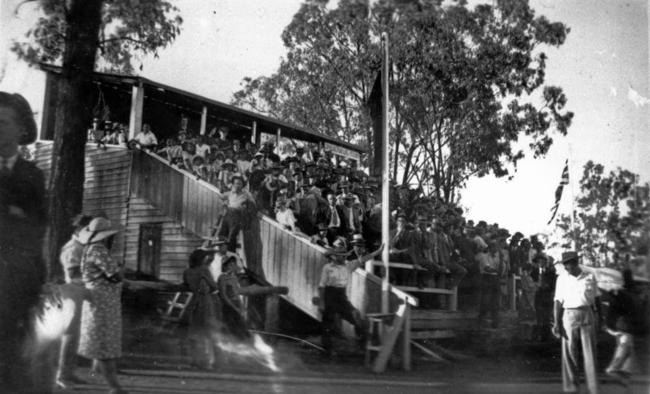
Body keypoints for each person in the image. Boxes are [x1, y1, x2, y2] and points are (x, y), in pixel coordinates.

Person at [0, 92, 49, 392]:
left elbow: (38, 230)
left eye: (3, 122)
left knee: (15, 366)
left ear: (20, 129)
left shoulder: (32, 176)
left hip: (18, 284)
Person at [77, 218, 127, 394]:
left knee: (99, 335)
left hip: (97, 297)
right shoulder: (99, 250)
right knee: (105, 340)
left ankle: (97, 368)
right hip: (103, 299)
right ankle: (114, 386)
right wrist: (121, 269)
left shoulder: (88, 249)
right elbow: (114, 276)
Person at [552, 251, 601, 394]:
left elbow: (597, 297)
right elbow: (557, 301)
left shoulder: (590, 276)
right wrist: (556, 322)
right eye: (565, 265)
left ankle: (593, 389)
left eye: (569, 264)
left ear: (576, 262)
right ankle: (572, 388)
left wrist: (601, 318)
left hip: (587, 313)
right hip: (569, 315)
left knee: (590, 353)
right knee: (569, 352)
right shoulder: (561, 279)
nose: (567, 267)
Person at [318, 238, 375, 357]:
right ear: (334, 257)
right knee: (328, 323)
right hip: (329, 294)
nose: (343, 258)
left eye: (344, 255)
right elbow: (322, 286)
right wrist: (322, 302)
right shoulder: (327, 268)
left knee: (355, 315)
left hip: (341, 295)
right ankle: (326, 351)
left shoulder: (349, 265)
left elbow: (363, 259)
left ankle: (361, 344)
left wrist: (378, 251)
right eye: (341, 256)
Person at [55, 214, 94, 389]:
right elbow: (73, 275)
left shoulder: (83, 246)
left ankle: (69, 372)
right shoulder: (72, 248)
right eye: (89, 229)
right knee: (70, 333)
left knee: (77, 334)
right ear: (80, 229)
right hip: (71, 291)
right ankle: (62, 375)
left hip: (80, 291)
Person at [183, 249, 219, 370]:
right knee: (207, 331)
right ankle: (209, 361)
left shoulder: (187, 271)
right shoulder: (204, 270)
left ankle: (194, 360)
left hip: (194, 301)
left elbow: (186, 285)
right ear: (201, 259)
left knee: (194, 331)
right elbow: (214, 286)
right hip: (205, 301)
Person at [603, 269, 637, 389]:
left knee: (623, 352)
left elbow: (615, 309)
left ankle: (624, 379)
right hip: (627, 328)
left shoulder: (620, 294)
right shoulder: (630, 293)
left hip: (622, 327)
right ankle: (620, 376)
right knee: (626, 354)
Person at [218, 174, 256, 252]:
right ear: (233, 184)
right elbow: (221, 196)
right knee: (222, 234)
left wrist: (246, 207)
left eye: (239, 183)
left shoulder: (246, 194)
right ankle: (221, 252)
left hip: (237, 216)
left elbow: (253, 203)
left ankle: (230, 253)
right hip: (228, 214)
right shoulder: (230, 193)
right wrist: (225, 202)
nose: (237, 185)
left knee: (232, 236)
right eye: (236, 183)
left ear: (242, 185)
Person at [217, 256, 249, 339]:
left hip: (236, 305)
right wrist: (235, 308)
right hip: (228, 306)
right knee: (230, 332)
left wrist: (242, 306)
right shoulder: (222, 278)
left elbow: (237, 293)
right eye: (230, 265)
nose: (233, 267)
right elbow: (224, 296)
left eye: (234, 264)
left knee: (243, 332)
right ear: (225, 266)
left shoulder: (234, 277)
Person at [477, 238, 502, 328]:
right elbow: (487, 268)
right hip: (487, 278)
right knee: (485, 301)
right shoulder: (484, 257)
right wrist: (496, 270)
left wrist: (498, 270)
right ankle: (480, 322)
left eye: (496, 247)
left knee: (495, 302)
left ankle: (495, 323)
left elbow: (501, 270)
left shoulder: (498, 258)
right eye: (493, 247)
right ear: (490, 248)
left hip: (495, 279)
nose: (495, 249)